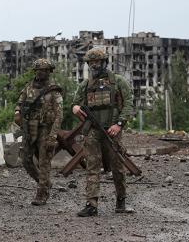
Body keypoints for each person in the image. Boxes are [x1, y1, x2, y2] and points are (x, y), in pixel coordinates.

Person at [72, 47, 134, 217]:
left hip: (113, 130)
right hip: (93, 130)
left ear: (104, 62)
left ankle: (121, 202)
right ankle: (91, 205)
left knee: (117, 167)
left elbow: (129, 104)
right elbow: (75, 103)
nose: (94, 65)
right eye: (91, 62)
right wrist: (75, 108)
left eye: (97, 62)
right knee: (92, 167)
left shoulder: (118, 81)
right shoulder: (85, 85)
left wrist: (119, 124)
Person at [14, 58, 63, 206]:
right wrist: (17, 112)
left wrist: (53, 136)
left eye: (44, 70)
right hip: (30, 129)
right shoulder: (28, 88)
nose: (41, 73)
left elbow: (59, 115)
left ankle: (42, 193)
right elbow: (20, 102)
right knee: (26, 160)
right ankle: (45, 183)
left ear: (49, 72)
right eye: (38, 70)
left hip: (45, 129)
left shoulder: (54, 91)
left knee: (44, 162)